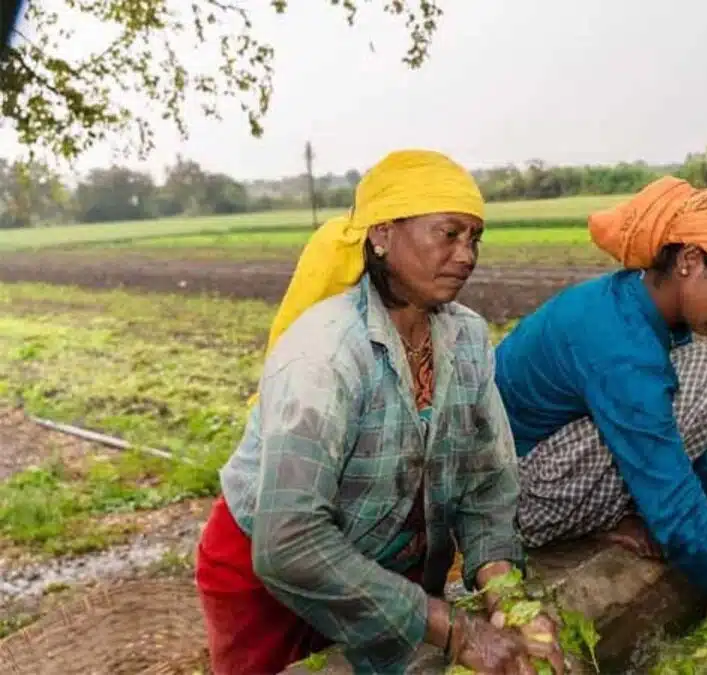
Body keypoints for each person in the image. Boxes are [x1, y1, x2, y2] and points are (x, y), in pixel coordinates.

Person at [193, 149, 564, 675]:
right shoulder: (325, 351)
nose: (466, 255)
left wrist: (508, 601)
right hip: (266, 573)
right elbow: (288, 541)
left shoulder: (466, 338)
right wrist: (453, 627)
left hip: (377, 567)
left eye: (474, 238)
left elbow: (486, 487)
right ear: (383, 235)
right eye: (449, 233)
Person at [493, 176, 707, 675]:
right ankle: (605, 521)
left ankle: (615, 517)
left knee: (703, 369)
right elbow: (677, 511)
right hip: (516, 499)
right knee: (697, 385)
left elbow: (693, 452)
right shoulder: (618, 344)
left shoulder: (639, 305)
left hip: (553, 467)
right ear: (689, 261)